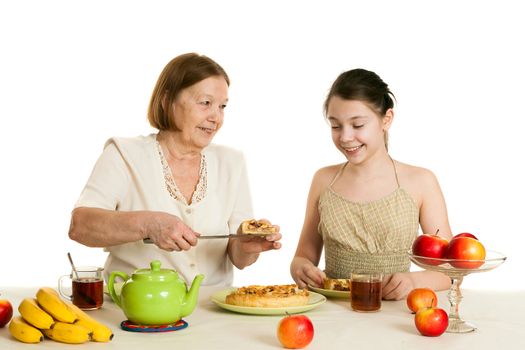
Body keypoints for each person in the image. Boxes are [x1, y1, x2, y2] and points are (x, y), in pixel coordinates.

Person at [69, 53, 281, 286]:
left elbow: (238, 257)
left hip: (210, 308)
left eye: (222, 107)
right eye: (205, 103)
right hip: (131, 310)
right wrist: (149, 224)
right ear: (166, 100)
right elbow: (81, 226)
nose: (216, 117)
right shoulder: (124, 153)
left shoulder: (232, 162)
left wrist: (247, 248)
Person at [290, 68, 452, 300]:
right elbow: (304, 254)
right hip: (333, 311)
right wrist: (299, 267)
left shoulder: (420, 181)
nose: (345, 137)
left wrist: (413, 281)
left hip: (394, 315)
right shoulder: (323, 179)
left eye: (357, 125)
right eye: (336, 126)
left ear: (386, 120)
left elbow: (449, 269)